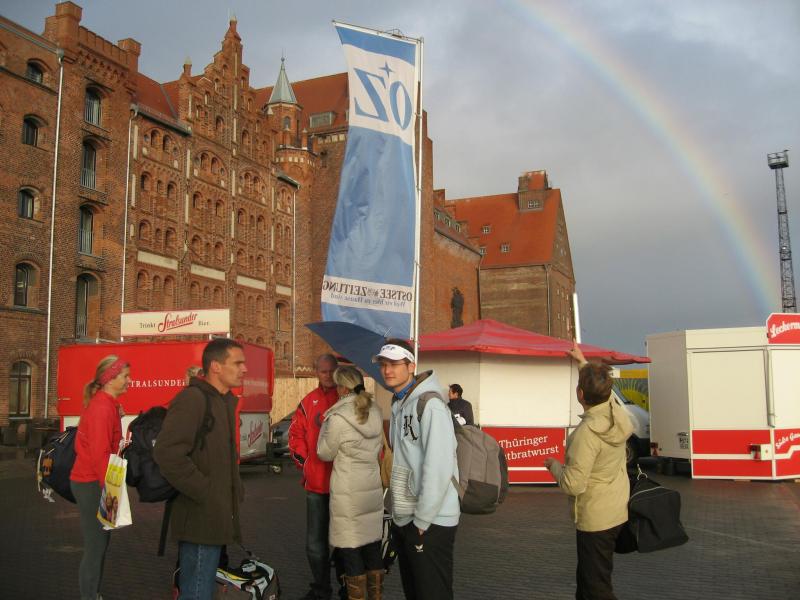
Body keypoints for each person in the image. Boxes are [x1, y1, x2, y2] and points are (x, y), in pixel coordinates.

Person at [154, 338, 246, 600]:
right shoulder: (193, 399)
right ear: (216, 366)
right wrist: (205, 491)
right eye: (237, 363)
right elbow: (167, 453)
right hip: (199, 516)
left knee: (201, 585)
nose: (244, 369)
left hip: (213, 513)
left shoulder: (223, 401)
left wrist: (233, 489)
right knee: (197, 590)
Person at [544, 342, 633, 600]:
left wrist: (554, 466)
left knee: (595, 588)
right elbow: (605, 392)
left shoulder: (586, 435)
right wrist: (582, 361)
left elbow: (573, 484)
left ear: (580, 394)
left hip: (596, 518)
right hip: (617, 509)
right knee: (588, 584)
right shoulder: (617, 415)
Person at [375, 338, 460, 600]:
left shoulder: (430, 404)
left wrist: (422, 520)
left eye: (394, 364)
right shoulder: (399, 403)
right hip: (407, 517)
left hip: (431, 520)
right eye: (383, 364)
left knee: (432, 593)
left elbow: (439, 466)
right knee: (415, 592)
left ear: (411, 366)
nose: (387, 370)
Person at [317, 366, 384, 600]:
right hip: (372, 487)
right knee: (372, 546)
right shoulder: (375, 411)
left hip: (347, 490)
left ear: (342, 388)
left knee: (351, 547)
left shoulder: (337, 416)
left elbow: (324, 452)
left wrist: (323, 426)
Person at [69, 354, 130, 600]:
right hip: (92, 483)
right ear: (110, 379)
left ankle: (93, 593)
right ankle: (89, 595)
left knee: (100, 543)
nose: (129, 380)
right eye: (125, 376)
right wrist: (110, 492)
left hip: (96, 481)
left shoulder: (107, 405)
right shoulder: (102, 408)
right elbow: (100, 455)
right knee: (96, 546)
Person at [289, 354, 346, 600]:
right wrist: (306, 466)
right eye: (323, 371)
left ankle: (348, 589)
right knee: (315, 544)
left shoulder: (348, 400)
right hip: (316, 485)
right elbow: (295, 436)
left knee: (346, 543)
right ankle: (321, 590)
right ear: (316, 372)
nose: (327, 375)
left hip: (344, 485)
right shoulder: (307, 402)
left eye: (331, 371)